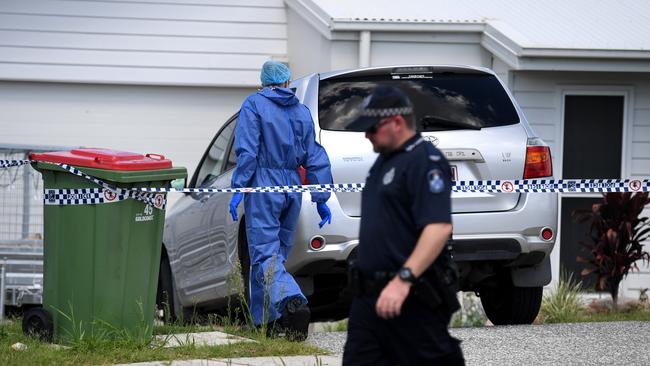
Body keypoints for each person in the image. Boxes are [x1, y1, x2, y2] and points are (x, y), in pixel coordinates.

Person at [342, 85, 465, 365]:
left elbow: (438, 227)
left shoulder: (424, 161)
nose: (366, 134)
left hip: (409, 297)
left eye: (372, 128)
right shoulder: (385, 161)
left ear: (396, 123)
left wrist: (403, 280)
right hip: (369, 299)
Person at [228, 60, 333, 341]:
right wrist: (321, 196)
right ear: (288, 82)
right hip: (293, 190)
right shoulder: (301, 112)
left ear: (263, 81)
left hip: (264, 187)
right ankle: (267, 323)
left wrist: (239, 187)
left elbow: (247, 152)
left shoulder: (254, 105)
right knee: (276, 256)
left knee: (264, 255)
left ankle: (293, 303)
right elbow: (315, 156)